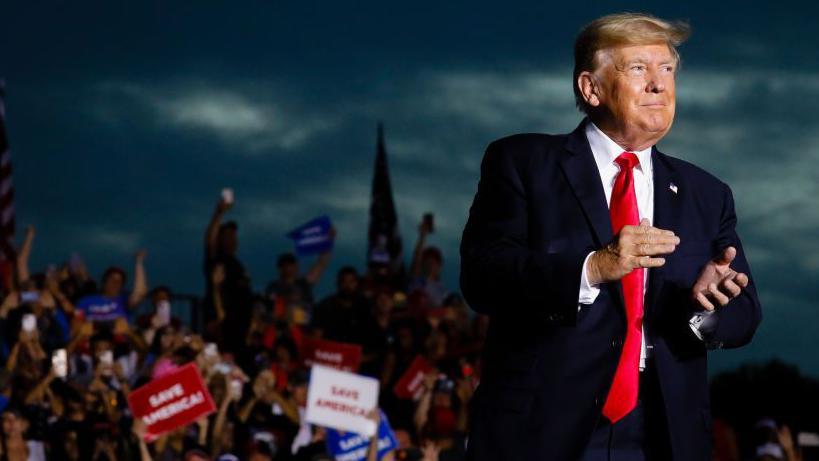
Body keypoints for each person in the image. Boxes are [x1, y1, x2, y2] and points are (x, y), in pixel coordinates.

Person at [459, 12, 762, 461]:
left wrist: (709, 306)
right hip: (544, 430)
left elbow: (745, 314)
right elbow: (483, 276)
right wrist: (593, 268)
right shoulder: (522, 163)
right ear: (591, 88)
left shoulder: (707, 193)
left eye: (667, 69)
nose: (659, 84)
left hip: (662, 434)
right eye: (638, 68)